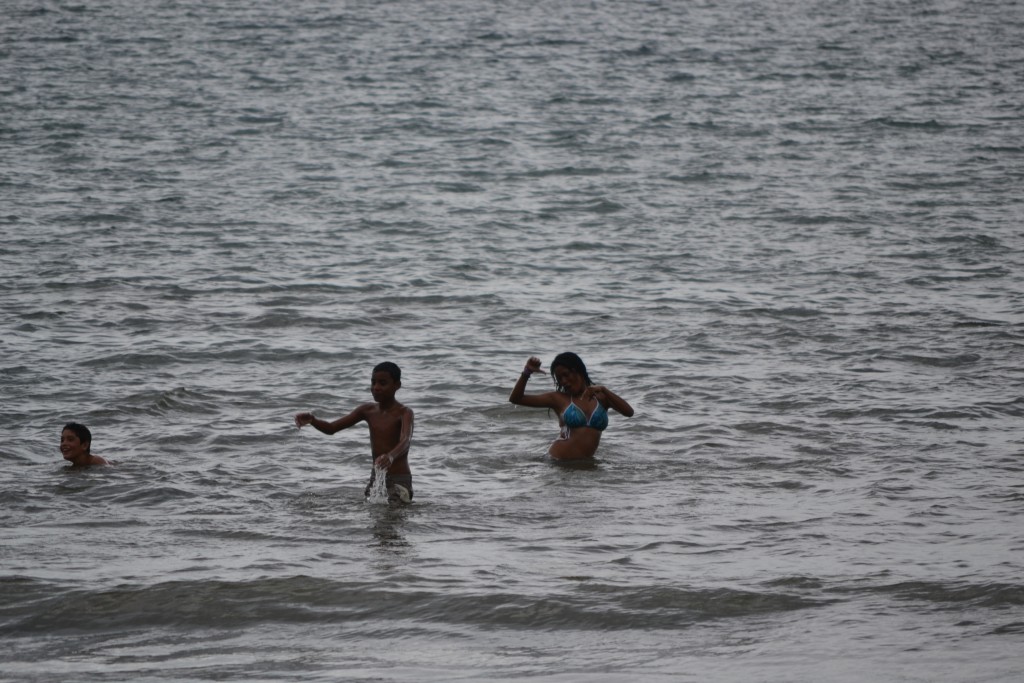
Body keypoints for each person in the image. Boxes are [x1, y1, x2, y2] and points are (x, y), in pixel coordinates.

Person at [294, 361, 414, 503]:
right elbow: (332, 428)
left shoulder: (404, 412)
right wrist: (313, 421)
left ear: (397, 385)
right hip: (376, 478)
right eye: (373, 383)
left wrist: (390, 457)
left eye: (382, 383)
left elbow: (405, 440)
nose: (376, 388)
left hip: (399, 480)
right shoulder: (367, 410)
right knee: (374, 518)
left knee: (391, 517)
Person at [509, 352, 634, 460]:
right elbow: (516, 399)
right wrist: (527, 372)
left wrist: (604, 390)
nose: (563, 381)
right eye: (559, 379)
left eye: (566, 375)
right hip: (556, 463)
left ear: (578, 370)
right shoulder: (558, 398)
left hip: (584, 467)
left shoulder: (601, 397)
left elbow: (629, 412)